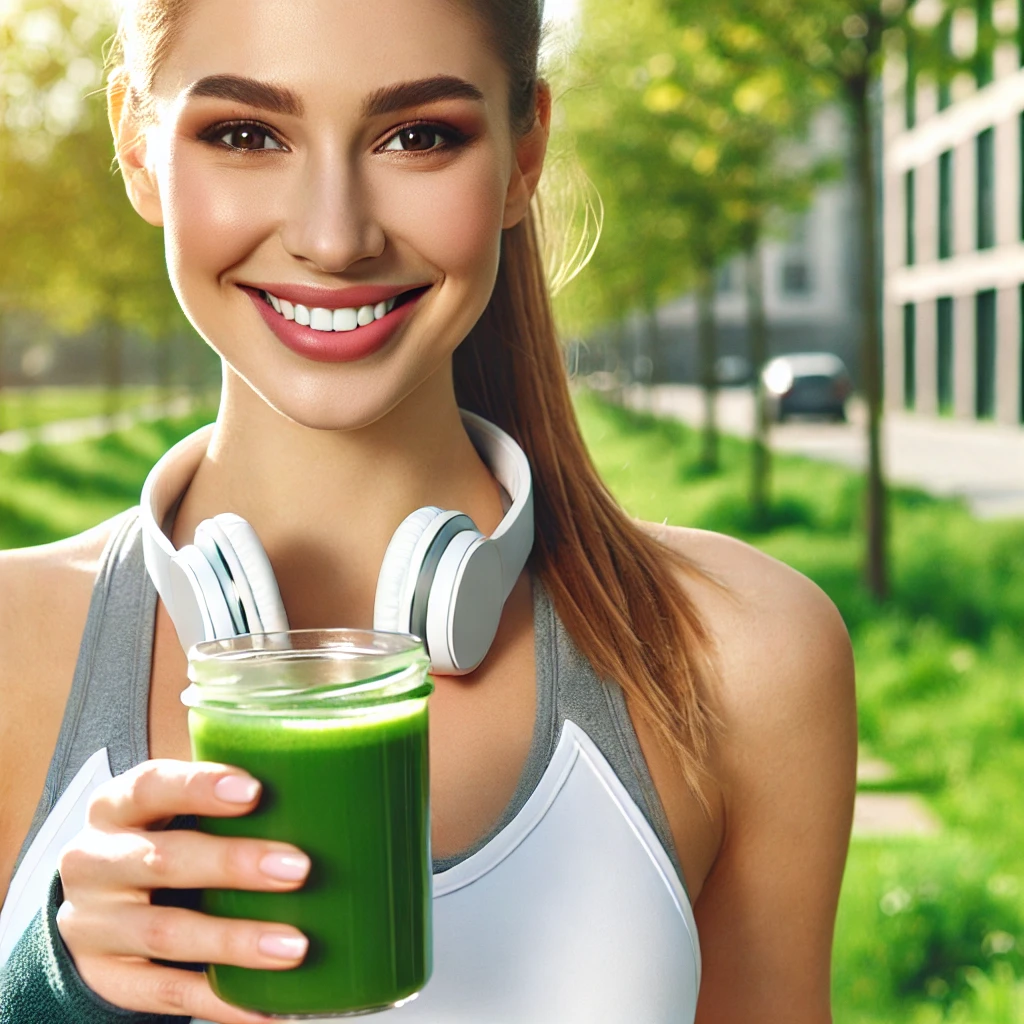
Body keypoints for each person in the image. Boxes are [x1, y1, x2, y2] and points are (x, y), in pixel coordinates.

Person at [0, 0, 857, 1021]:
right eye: (246, 134)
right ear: (138, 149)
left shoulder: (745, 657)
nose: (334, 236)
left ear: (522, 155)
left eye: (418, 136)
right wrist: (58, 990)